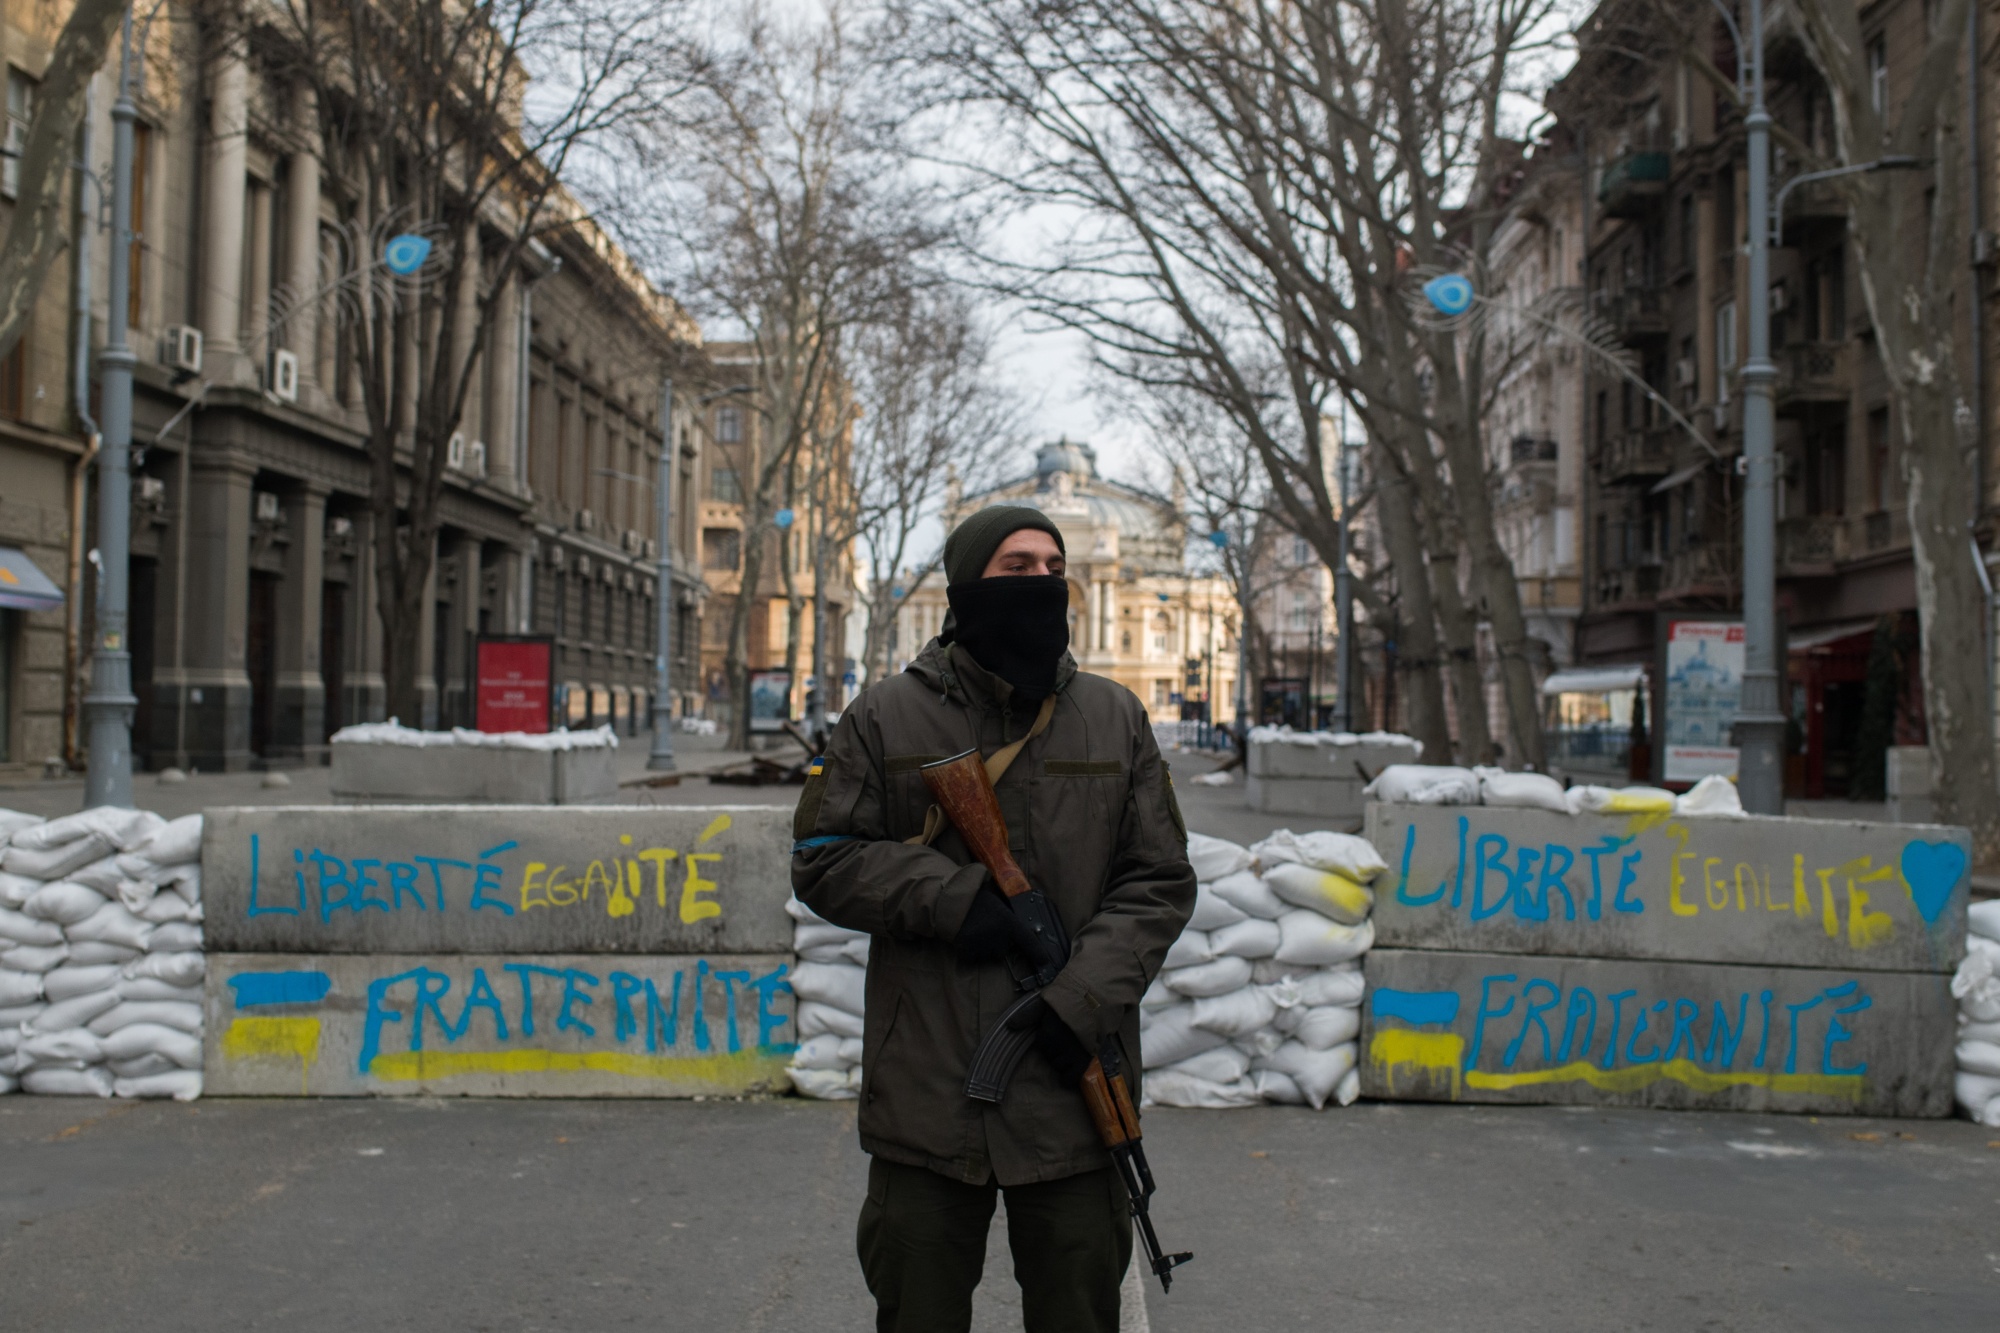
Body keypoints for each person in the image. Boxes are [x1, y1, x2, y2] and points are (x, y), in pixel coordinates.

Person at [792, 504, 1196, 1333]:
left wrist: (1079, 998)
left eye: (1055, 569)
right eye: (1019, 568)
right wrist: (951, 898)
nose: (1043, 582)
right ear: (969, 583)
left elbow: (1158, 879)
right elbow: (823, 856)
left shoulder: (1115, 716)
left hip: (1073, 1083)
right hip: (928, 1091)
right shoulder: (884, 716)